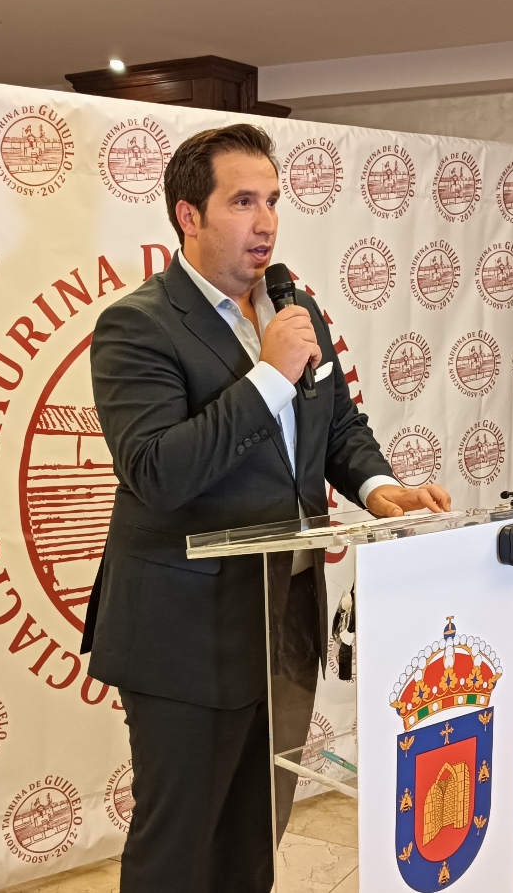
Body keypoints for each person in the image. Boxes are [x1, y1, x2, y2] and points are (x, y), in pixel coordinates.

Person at [82, 124, 450, 893]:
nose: (267, 222)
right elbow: (157, 471)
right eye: (243, 202)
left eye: (273, 201)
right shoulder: (138, 325)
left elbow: (336, 426)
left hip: (284, 614)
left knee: (255, 833)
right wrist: (269, 376)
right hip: (185, 631)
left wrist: (380, 488)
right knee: (181, 842)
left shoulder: (290, 306)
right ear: (189, 215)